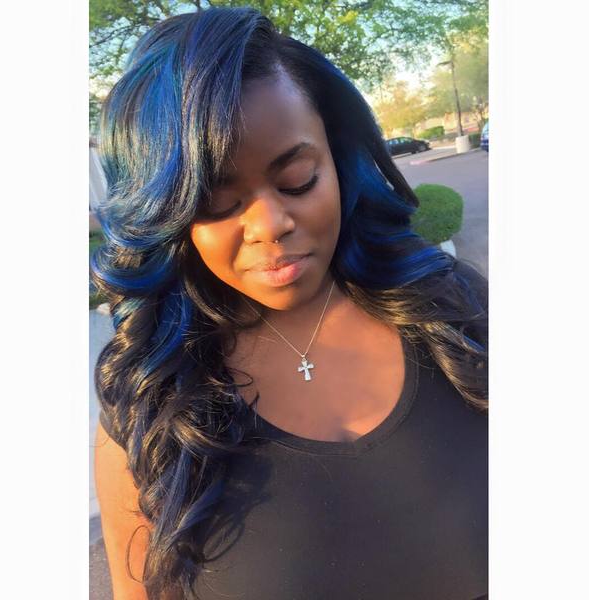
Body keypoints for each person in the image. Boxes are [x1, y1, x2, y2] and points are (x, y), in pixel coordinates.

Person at [91, 7, 488, 600]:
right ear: (167, 215)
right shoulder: (149, 412)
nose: (270, 223)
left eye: (298, 179)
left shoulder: (455, 311)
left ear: (337, 158)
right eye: (217, 202)